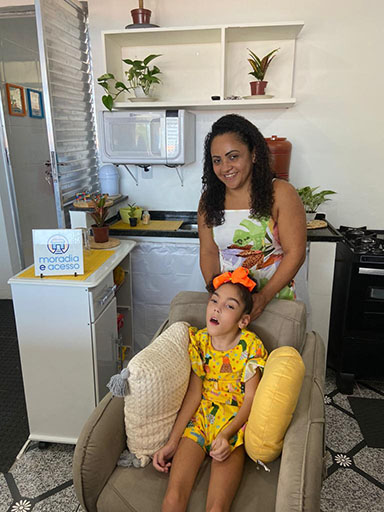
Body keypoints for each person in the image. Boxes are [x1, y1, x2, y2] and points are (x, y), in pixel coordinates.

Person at [153, 267, 268, 512]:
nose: (216, 308)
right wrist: (173, 441)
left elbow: (251, 398)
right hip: (200, 421)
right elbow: (194, 394)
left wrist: (227, 435)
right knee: (173, 498)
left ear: (243, 320)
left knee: (217, 508)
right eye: (214, 300)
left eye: (229, 306)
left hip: (234, 427)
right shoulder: (199, 341)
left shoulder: (250, 346)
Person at [198, 113, 307, 320]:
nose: (225, 167)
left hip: (275, 302)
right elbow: (209, 252)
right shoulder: (209, 200)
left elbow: (296, 253)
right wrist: (217, 296)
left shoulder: (281, 193)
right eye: (217, 160)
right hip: (230, 310)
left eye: (233, 156)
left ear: (254, 154)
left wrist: (263, 297)